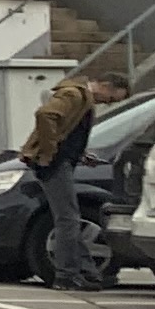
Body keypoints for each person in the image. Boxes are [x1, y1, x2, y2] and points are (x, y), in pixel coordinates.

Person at [17, 71, 120, 290]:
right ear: (105, 85)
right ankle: (66, 275)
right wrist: (50, 150)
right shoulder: (74, 95)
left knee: (69, 218)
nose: (107, 103)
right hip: (55, 164)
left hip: (60, 161)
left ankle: (87, 272)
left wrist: (79, 154)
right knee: (68, 219)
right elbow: (45, 114)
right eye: (111, 98)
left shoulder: (80, 98)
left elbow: (68, 130)